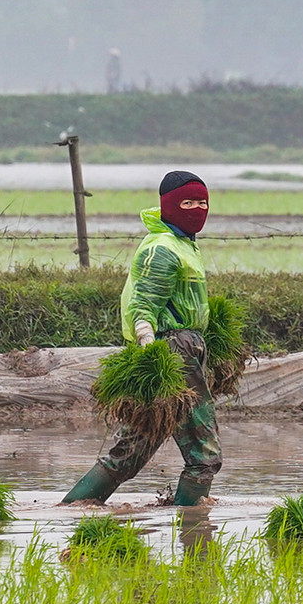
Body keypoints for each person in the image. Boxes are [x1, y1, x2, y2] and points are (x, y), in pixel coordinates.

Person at [62, 171, 222, 507]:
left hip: (182, 349)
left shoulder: (181, 243)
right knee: (204, 454)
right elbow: (143, 304)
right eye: (187, 202)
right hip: (173, 353)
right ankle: (194, 528)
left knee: (132, 449)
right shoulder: (163, 248)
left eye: (202, 203)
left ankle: (73, 509)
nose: (196, 209)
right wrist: (149, 343)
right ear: (168, 206)